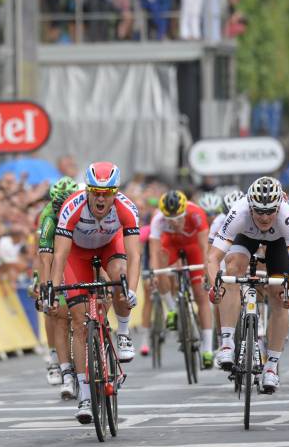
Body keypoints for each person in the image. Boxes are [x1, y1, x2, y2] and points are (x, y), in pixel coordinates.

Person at [50, 162, 141, 424]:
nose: (101, 198)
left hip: (109, 249)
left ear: (115, 191)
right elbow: (61, 255)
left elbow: (134, 254)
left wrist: (131, 290)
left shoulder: (126, 207)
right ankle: (85, 395)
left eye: (107, 192)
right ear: (88, 190)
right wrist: (54, 289)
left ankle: (123, 334)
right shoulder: (73, 206)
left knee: (121, 278)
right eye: (95, 192)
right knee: (79, 321)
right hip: (77, 254)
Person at [205, 177, 289, 392]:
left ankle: (271, 366)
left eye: (270, 211)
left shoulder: (287, 216)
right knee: (233, 268)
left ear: (278, 206)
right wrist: (217, 285)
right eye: (259, 211)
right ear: (250, 206)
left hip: (278, 243)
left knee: (280, 292)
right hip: (246, 237)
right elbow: (213, 258)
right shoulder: (239, 212)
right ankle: (226, 342)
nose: (264, 217)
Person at [149, 190, 214, 368]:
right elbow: (154, 251)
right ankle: (171, 309)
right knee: (160, 261)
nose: (175, 222)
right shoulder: (158, 219)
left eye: (179, 218)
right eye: (170, 219)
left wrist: (208, 271)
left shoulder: (196, 213)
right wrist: (155, 272)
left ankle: (208, 349)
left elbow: (204, 247)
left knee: (200, 295)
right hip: (171, 245)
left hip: (194, 246)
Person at [37, 177, 80, 399]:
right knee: (55, 311)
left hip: (80, 253)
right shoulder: (48, 216)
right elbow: (46, 259)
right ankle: (60, 364)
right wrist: (46, 291)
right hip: (56, 256)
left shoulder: (83, 210)